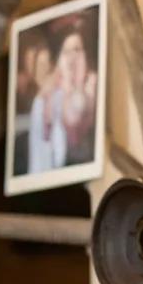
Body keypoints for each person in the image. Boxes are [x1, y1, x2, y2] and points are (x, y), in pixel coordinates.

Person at [27, 19, 98, 173]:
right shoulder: (45, 100)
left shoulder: (91, 84)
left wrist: (74, 85)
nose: (72, 57)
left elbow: (76, 114)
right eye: (66, 52)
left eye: (77, 50)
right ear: (59, 60)